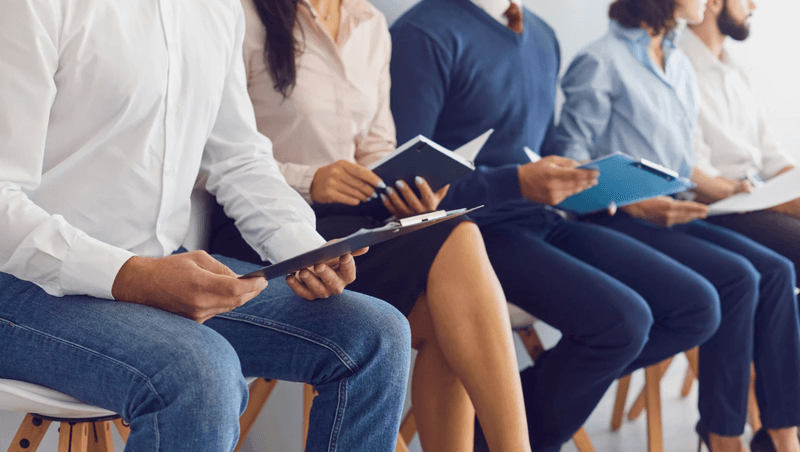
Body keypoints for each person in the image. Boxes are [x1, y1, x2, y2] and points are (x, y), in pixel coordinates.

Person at [0, 0, 413, 451]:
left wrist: (300, 247)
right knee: (199, 372)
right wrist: (133, 277)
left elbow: (237, 157)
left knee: (374, 335)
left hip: (157, 267)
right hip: (22, 284)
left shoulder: (214, 9)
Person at [389, 0, 721, 450]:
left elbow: (539, 156)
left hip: (540, 218)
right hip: (469, 236)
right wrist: (517, 182)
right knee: (623, 322)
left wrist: (586, 185)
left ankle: (492, 424)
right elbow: (407, 183)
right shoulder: (424, 33)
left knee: (697, 304)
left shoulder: (542, 36)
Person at [207, 0, 531, 450]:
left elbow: (377, 145)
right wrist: (311, 179)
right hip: (260, 224)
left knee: (451, 297)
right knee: (458, 244)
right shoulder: (242, 15)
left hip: (355, 217)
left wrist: (409, 187)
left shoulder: (371, 22)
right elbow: (211, 158)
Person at [555, 0, 800, 450]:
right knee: (738, 278)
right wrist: (632, 204)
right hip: (615, 221)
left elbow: (683, 166)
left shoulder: (678, 67)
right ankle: (725, 436)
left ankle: (783, 431)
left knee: (776, 271)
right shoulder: (601, 60)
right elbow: (567, 172)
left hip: (672, 214)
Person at [678, 0, 800, 284]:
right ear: (714, 2)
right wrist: (781, 204)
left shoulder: (736, 72)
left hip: (754, 195)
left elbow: (773, 159)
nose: (753, 6)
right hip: (720, 207)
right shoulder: (677, 67)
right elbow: (694, 176)